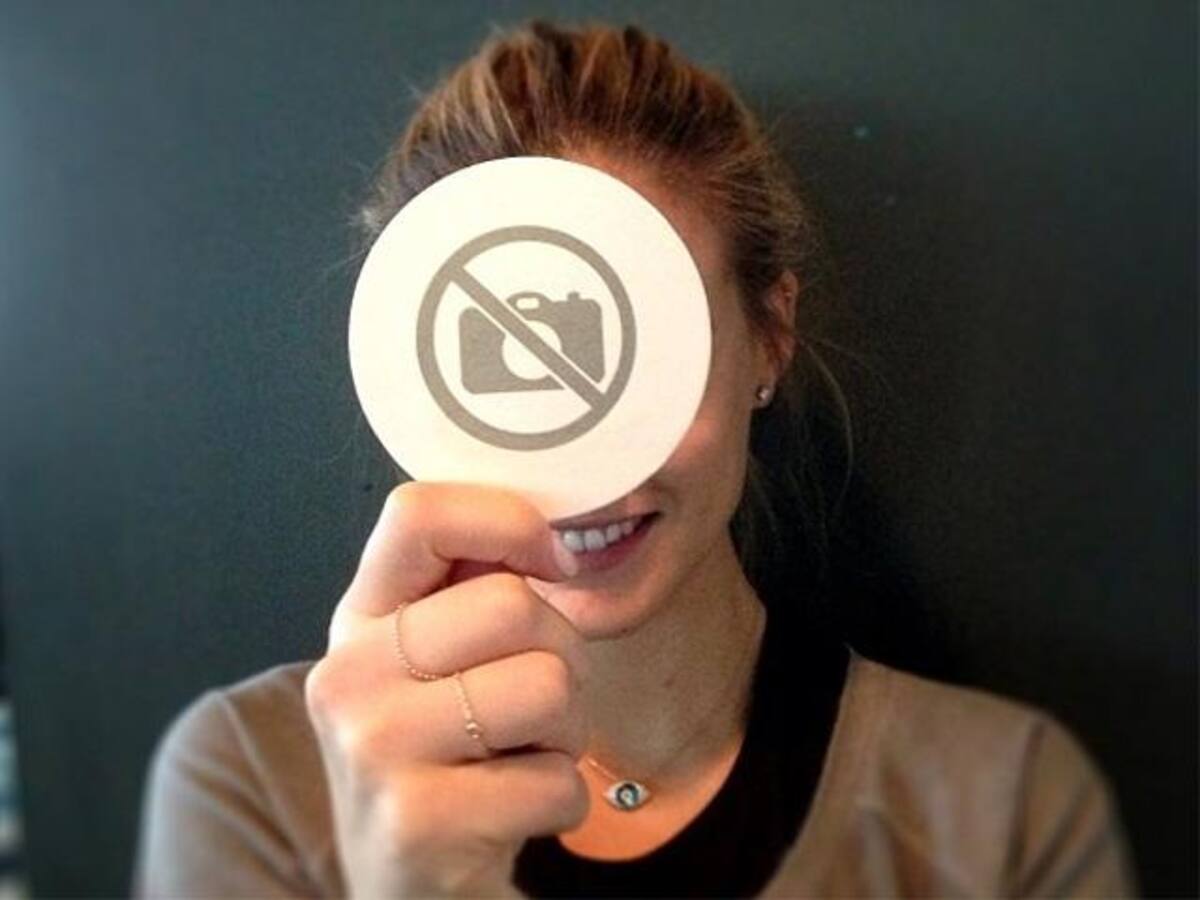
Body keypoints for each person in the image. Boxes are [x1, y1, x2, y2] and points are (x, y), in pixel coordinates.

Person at [132, 19, 1139, 899]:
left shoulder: (1001, 805)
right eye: (509, 374)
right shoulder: (251, 781)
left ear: (770, 337)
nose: (593, 474)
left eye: (647, 359)